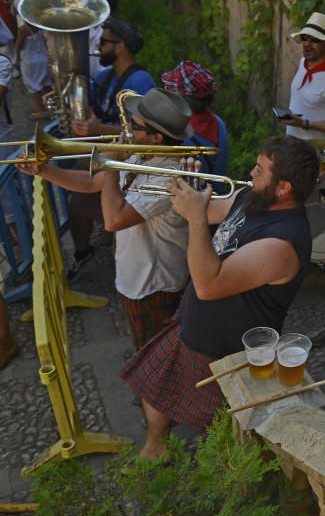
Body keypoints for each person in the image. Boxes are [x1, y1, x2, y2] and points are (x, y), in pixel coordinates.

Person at [120, 136, 318, 459]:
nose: (251, 172)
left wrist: (196, 218)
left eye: (260, 169)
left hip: (226, 353)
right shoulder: (252, 197)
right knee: (153, 389)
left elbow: (208, 285)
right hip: (193, 325)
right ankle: (156, 447)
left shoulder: (284, 241)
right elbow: (205, 212)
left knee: (226, 442)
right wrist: (185, 189)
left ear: (283, 188)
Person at [17, 89, 194, 350]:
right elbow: (93, 183)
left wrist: (110, 163)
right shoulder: (141, 152)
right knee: (143, 348)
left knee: (152, 354)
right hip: (134, 275)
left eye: (135, 125)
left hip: (154, 283)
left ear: (156, 137)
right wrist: (44, 170)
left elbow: (113, 220)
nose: (127, 129)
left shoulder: (169, 175)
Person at [63, 17, 154, 282]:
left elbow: (145, 134)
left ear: (121, 47)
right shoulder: (106, 75)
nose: (98, 47)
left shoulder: (140, 82)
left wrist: (98, 127)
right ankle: (90, 248)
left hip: (126, 163)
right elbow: (85, 99)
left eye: (103, 42)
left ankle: (117, 267)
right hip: (106, 158)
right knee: (78, 202)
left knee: (81, 204)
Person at [279, 11, 325, 140]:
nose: (307, 43)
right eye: (305, 37)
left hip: (317, 153)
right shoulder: (303, 63)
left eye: (315, 40)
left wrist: (305, 124)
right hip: (292, 147)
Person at [160, 60, 229, 186]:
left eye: (170, 89)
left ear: (183, 98)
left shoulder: (180, 136)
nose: (166, 90)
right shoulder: (219, 123)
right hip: (214, 197)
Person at [10, 0, 53, 119]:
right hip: (25, 20)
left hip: (44, 24)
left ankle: (50, 108)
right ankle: (44, 109)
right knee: (29, 67)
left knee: (49, 67)